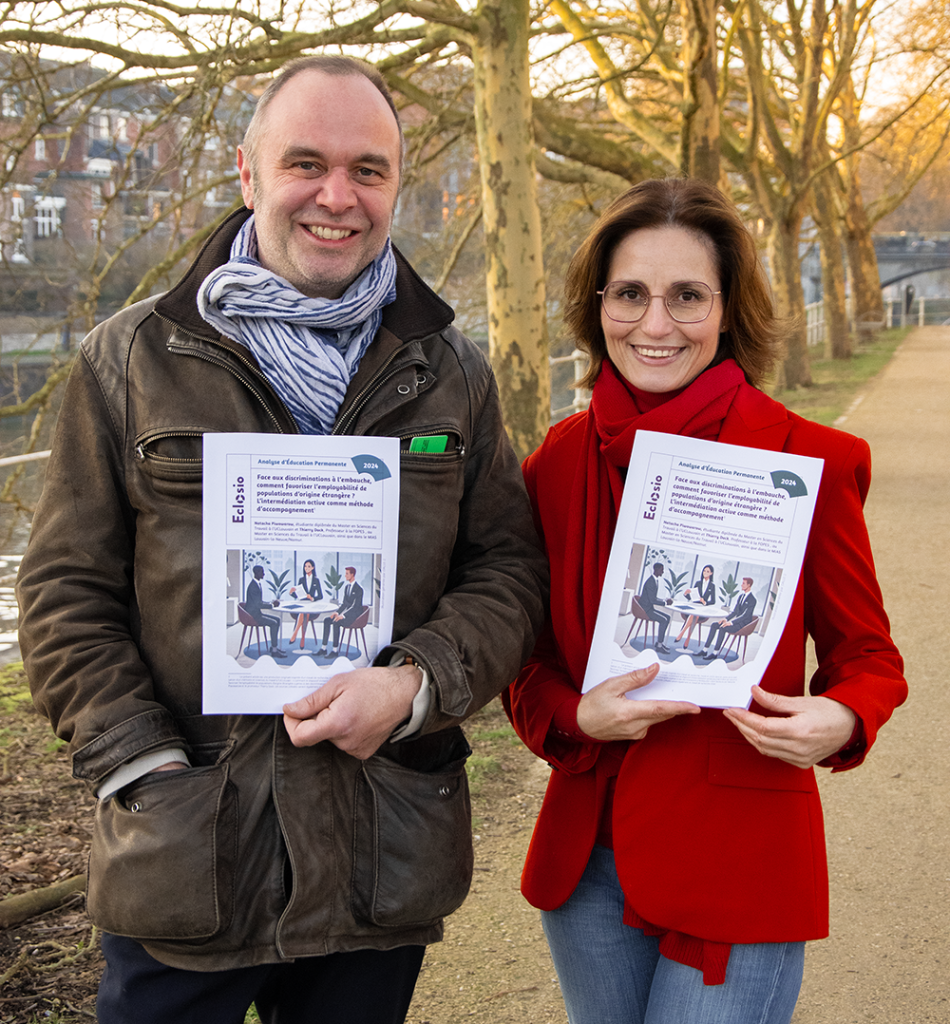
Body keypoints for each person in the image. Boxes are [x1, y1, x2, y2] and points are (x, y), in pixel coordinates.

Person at [16, 55, 547, 1024]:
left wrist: (412, 683)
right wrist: (144, 765)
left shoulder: (450, 373)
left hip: (376, 858)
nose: (336, 197)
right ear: (248, 172)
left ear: (394, 184)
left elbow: (506, 570)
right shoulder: (128, 363)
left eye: (368, 169)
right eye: (306, 163)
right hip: (188, 859)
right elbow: (61, 593)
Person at [504, 178, 907, 1024]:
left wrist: (841, 718)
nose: (656, 325)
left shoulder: (808, 461)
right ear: (598, 306)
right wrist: (580, 717)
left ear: (728, 310)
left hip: (741, 857)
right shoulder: (556, 464)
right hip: (588, 863)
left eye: (687, 296)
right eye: (631, 295)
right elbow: (526, 664)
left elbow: (868, 660)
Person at [700, 576, 756, 660]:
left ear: (749, 585)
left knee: (723, 628)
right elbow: (735, 612)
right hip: (737, 622)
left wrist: (731, 623)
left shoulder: (753, 599)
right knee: (714, 625)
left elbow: (745, 615)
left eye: (743, 583)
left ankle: (715, 653)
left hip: (743, 625)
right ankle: (705, 650)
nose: (741, 585)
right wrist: (726, 619)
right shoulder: (741, 596)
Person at [319, 566, 364, 656]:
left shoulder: (359, 589)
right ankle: (323, 648)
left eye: (347, 574)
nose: (345, 576)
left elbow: (355, 607)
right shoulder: (347, 587)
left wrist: (342, 616)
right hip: (345, 614)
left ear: (352, 574)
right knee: (327, 620)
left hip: (353, 617)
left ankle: (335, 651)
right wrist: (337, 613)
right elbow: (344, 604)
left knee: (336, 622)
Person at [245, 564, 286, 658]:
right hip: (253, 616)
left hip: (256, 613)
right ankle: (274, 651)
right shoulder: (253, 586)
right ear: (257, 573)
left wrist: (270, 603)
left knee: (278, 620)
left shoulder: (256, 584)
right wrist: (272, 605)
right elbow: (258, 604)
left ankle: (273, 646)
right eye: (262, 572)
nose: (263, 574)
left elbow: (258, 601)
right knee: (274, 623)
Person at [674, 562, 715, 651]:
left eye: (707, 571)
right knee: (694, 614)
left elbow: (713, 601)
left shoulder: (712, 586)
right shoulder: (698, 583)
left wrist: (704, 602)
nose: (705, 573)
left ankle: (682, 634)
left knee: (695, 614)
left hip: (703, 609)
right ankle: (687, 639)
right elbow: (693, 597)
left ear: (711, 573)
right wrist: (686, 594)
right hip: (695, 606)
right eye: (704, 571)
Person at [637, 561, 672, 654]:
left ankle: (659, 642)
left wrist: (664, 600)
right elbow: (652, 600)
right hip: (645, 609)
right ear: (656, 570)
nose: (663, 572)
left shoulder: (654, 580)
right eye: (662, 570)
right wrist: (665, 603)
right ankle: (659, 646)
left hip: (649, 607)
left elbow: (653, 598)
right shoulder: (651, 582)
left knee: (668, 617)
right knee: (664, 620)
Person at [288, 557, 323, 648]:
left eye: (308, 566)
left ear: (313, 568)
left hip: (311, 605)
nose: (306, 568)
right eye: (305, 566)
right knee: (303, 612)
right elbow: (298, 595)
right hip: (302, 604)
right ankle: (301, 637)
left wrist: (312, 598)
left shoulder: (316, 580)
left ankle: (296, 635)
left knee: (306, 612)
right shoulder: (301, 580)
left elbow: (320, 596)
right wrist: (291, 592)